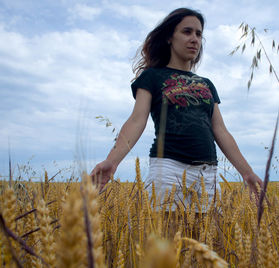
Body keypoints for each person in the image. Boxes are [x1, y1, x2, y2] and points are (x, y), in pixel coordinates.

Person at [90, 7, 262, 208]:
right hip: (168, 169)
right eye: (187, 32)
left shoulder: (207, 84)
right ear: (169, 38)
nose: (195, 39)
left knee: (207, 239)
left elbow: (220, 130)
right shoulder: (152, 77)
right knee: (168, 238)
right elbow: (137, 120)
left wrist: (247, 172)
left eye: (199, 34)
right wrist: (112, 162)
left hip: (208, 173)